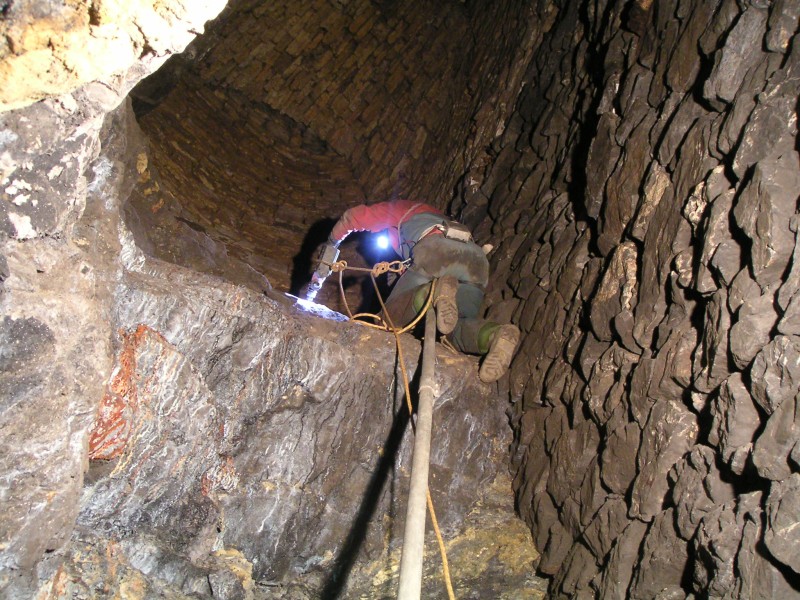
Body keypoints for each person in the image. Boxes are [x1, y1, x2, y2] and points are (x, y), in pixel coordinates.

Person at [310, 199, 520, 383]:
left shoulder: (402, 209)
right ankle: (495, 335)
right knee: (453, 329)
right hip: (477, 262)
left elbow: (353, 216)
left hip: (437, 252)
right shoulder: (439, 218)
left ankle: (434, 291)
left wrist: (330, 245)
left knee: (389, 320)